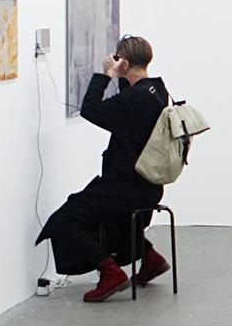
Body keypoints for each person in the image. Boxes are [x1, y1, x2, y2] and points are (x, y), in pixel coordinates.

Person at [36, 37, 171, 303]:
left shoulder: (135, 99)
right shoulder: (156, 90)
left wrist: (104, 75)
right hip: (148, 185)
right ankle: (151, 259)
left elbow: (90, 110)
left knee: (64, 220)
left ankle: (110, 271)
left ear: (125, 63)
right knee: (115, 220)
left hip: (127, 186)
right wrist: (122, 77)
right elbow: (126, 110)